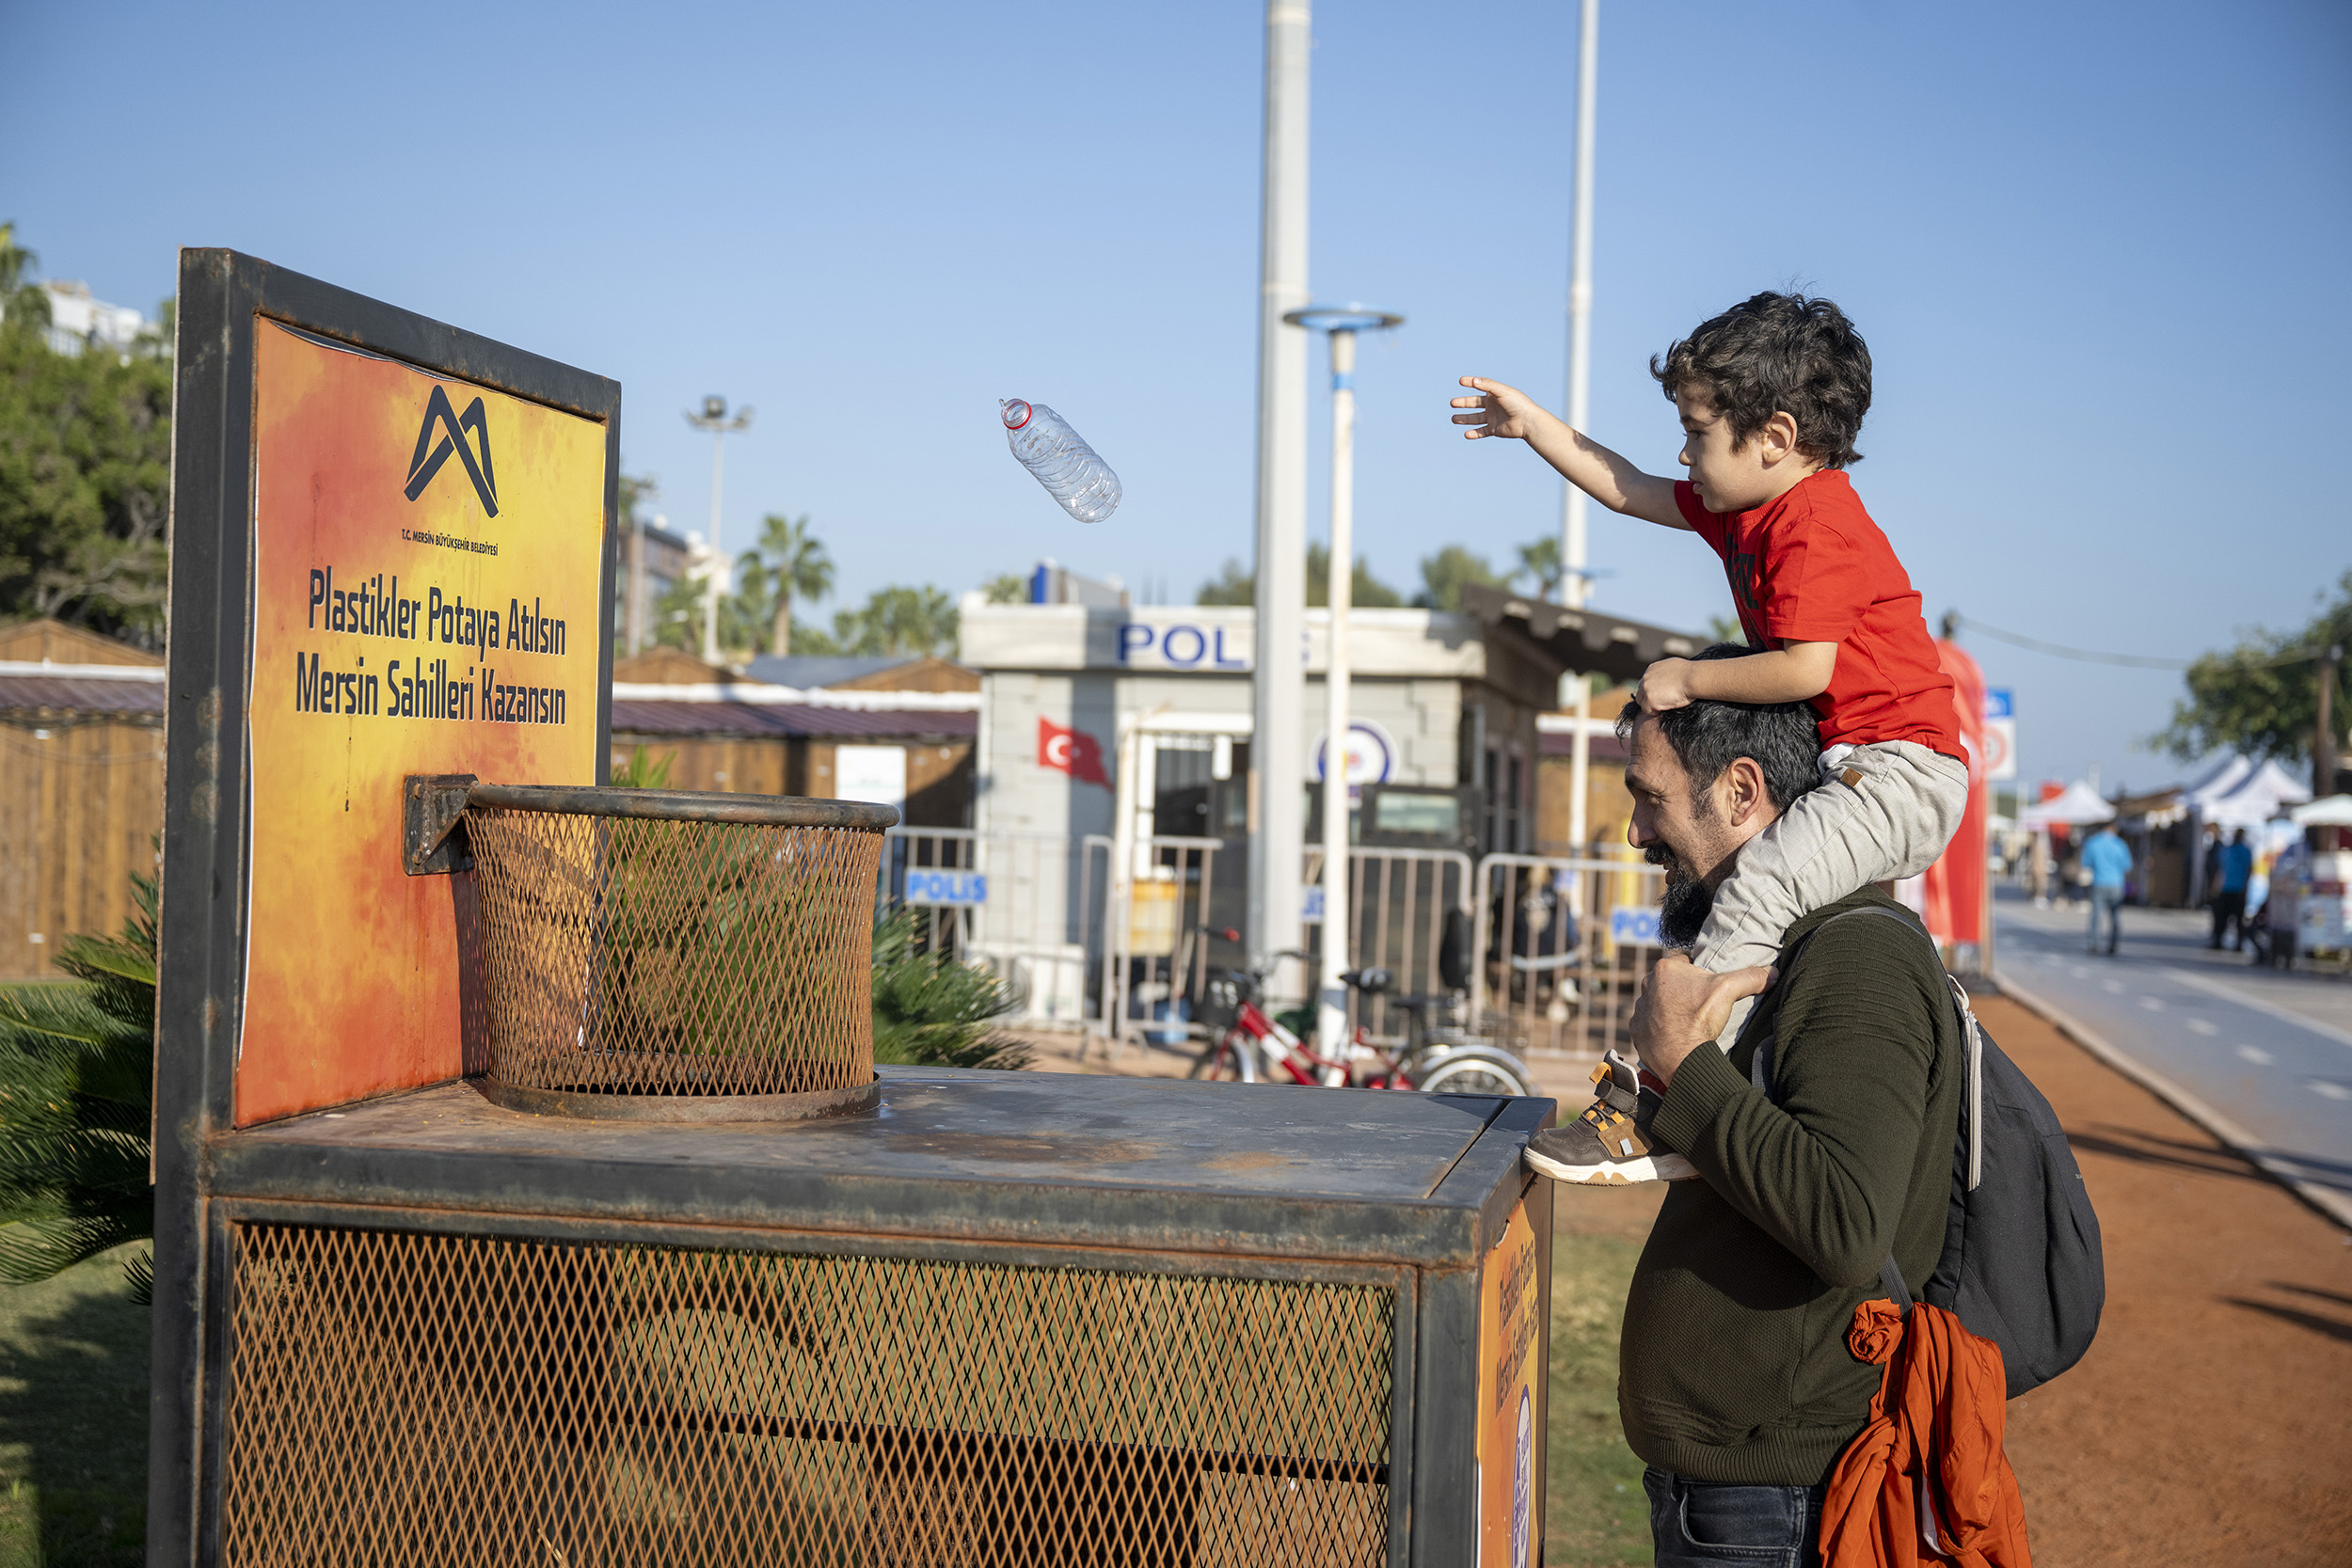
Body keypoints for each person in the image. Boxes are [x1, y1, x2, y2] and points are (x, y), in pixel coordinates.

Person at [1454, 292, 1968, 1184]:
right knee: (1773, 901)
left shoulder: (1813, 525)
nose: (1683, 452)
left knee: (1760, 884)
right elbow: (1627, 489)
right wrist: (1535, 427)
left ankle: (1662, 1099)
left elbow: (1806, 669)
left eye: (1696, 432)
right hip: (1858, 763)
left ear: (1772, 436)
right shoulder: (1750, 508)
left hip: (1900, 772)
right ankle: (1745, 1078)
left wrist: (1688, 677)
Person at [1550, 677, 1966, 1563]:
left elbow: (1849, 1220)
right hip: (1738, 1487)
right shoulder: (1789, 949)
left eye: (1650, 799)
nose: (1636, 833)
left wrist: (1684, 1062)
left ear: (1742, 792)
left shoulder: (1857, 955)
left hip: (1778, 1501)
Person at [2080, 819, 2132, 955]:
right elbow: (2127, 865)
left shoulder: (2093, 843)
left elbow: (2086, 863)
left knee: (2096, 916)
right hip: (2116, 883)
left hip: (2099, 882)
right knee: (2115, 917)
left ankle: (2094, 944)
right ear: (2114, 828)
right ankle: (2113, 945)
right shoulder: (2120, 844)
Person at [2211, 827, 2254, 950]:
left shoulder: (2246, 851)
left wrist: (2245, 887)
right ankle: (2218, 940)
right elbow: (2220, 869)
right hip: (2225, 888)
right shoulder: (2226, 850)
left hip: (2238, 889)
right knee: (2221, 918)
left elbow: (2248, 870)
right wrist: (2216, 887)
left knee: (2238, 919)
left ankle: (2239, 943)